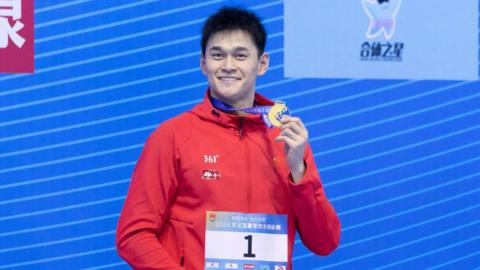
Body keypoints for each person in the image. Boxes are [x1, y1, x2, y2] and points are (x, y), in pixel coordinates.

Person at [116, 6, 340, 269]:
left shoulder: (287, 139)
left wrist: (299, 172)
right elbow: (133, 235)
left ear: (263, 63)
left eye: (241, 55)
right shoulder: (172, 136)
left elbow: (324, 242)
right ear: (203, 63)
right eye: (217, 55)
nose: (228, 66)